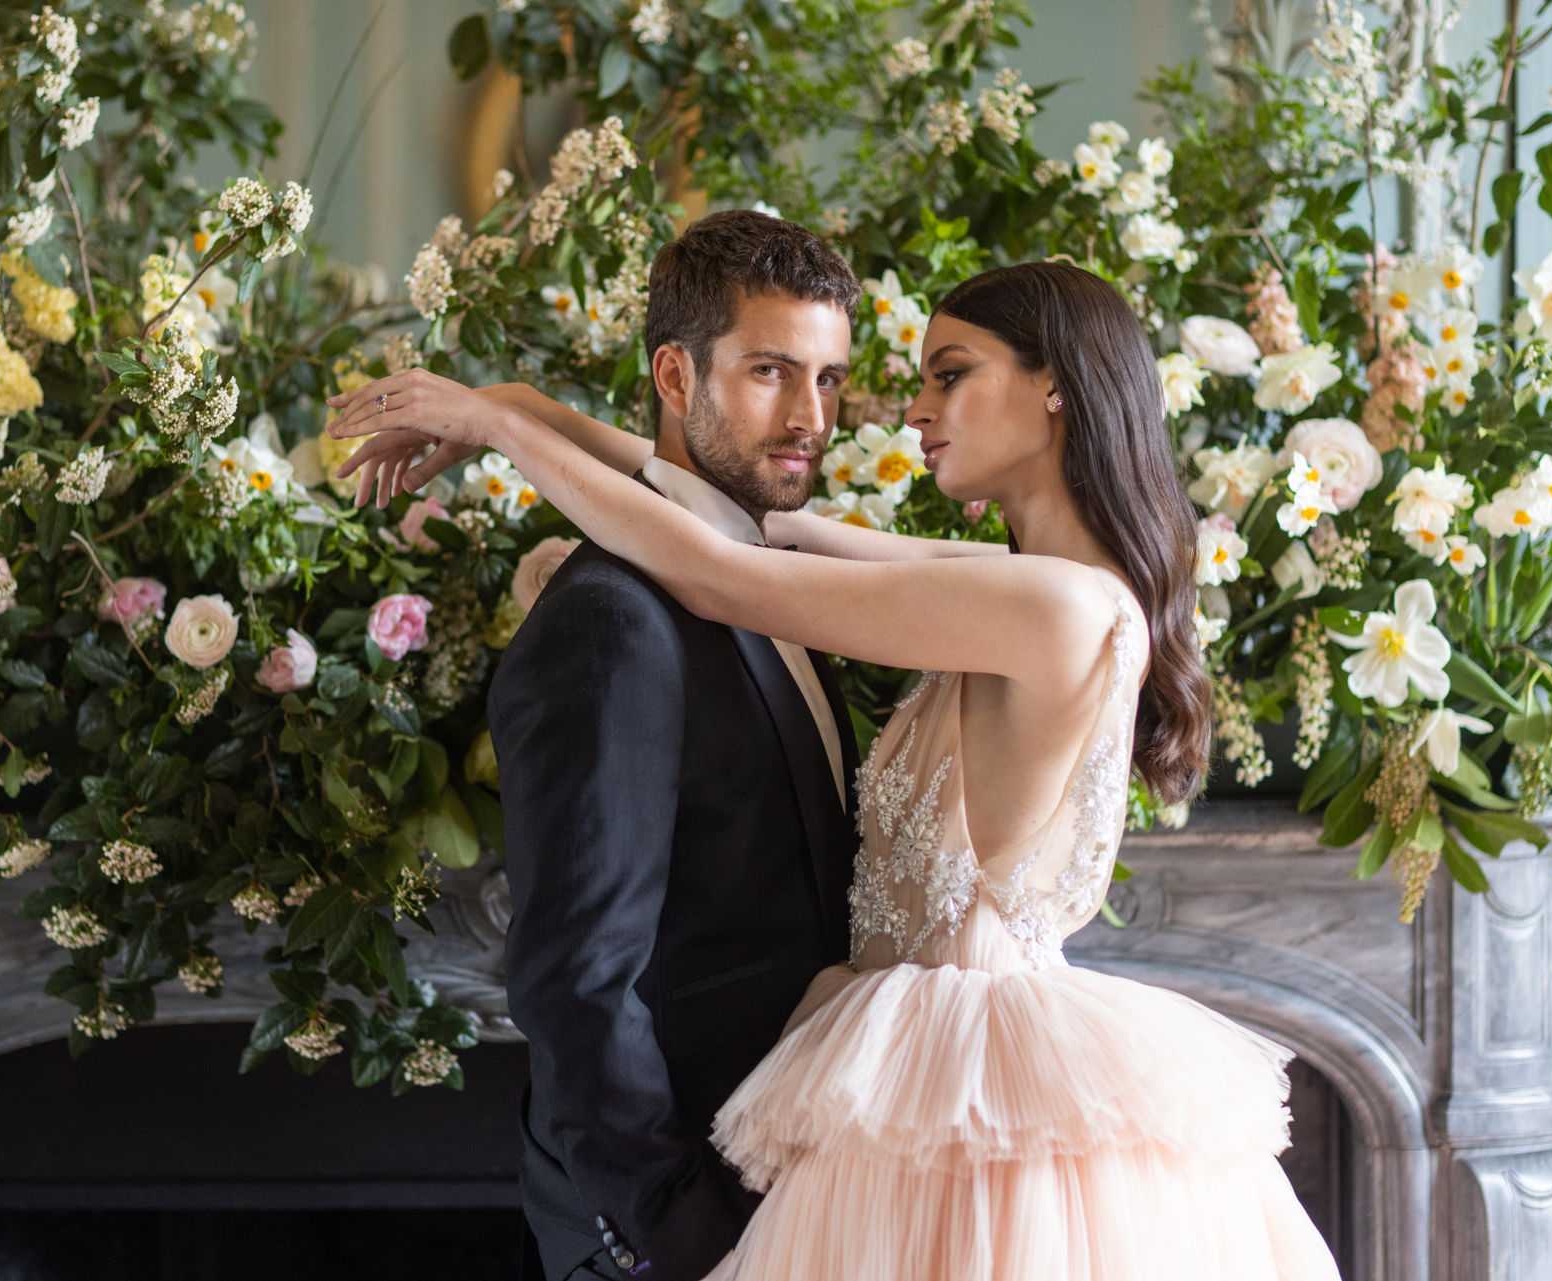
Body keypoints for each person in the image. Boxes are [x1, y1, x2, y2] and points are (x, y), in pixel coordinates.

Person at [327, 258, 1341, 1279]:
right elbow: (752, 522)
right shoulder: (1036, 586)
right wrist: (512, 405)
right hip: (904, 1069)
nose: (914, 408)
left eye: (952, 375)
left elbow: (725, 572)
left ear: (1056, 387)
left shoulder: (1056, 609)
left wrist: (500, 434)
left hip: (953, 1092)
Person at [419, 211, 866, 1281]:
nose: (810, 416)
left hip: (795, 1198)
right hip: (668, 1235)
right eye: (770, 371)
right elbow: (578, 979)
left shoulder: (779, 572)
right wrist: (682, 1231)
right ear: (677, 375)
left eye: (831, 379)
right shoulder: (612, 622)